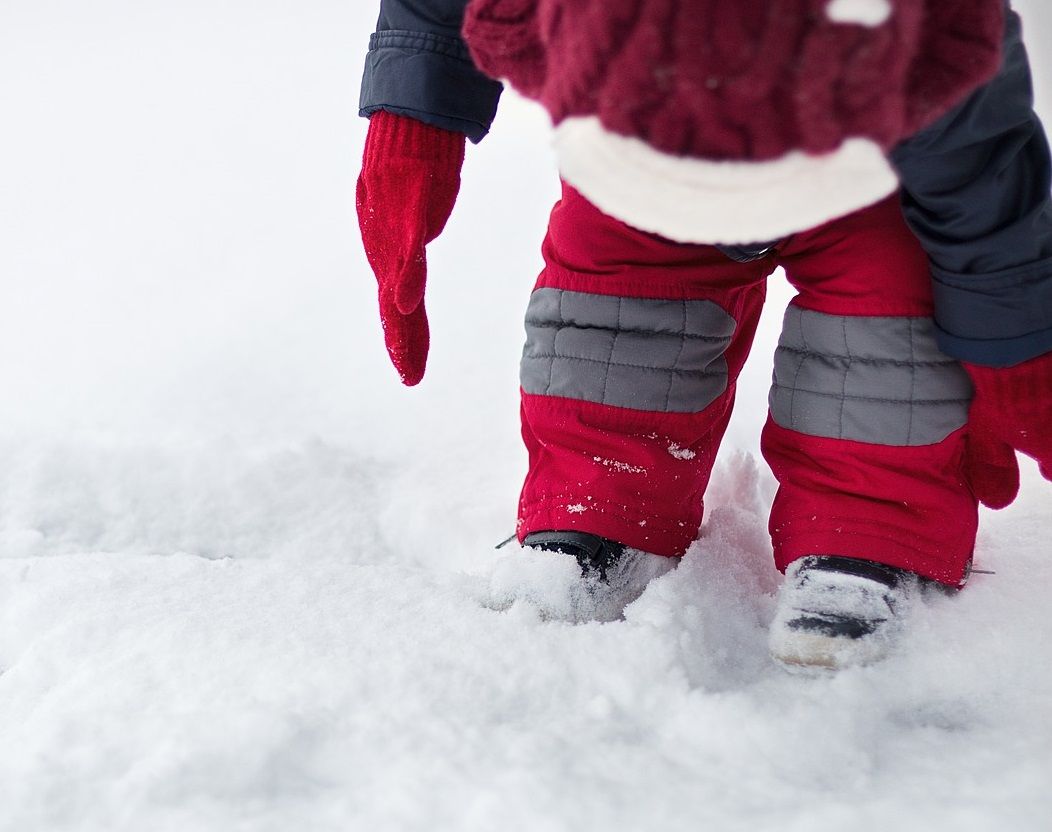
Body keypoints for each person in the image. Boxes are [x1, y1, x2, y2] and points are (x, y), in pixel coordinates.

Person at [356, 0, 1052, 669]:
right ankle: (602, 501)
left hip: (863, 167)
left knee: (893, 314)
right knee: (613, 299)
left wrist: (1012, 348)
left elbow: (987, 182)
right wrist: (414, 114)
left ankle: (869, 527)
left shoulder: (936, 37)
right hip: (638, 147)